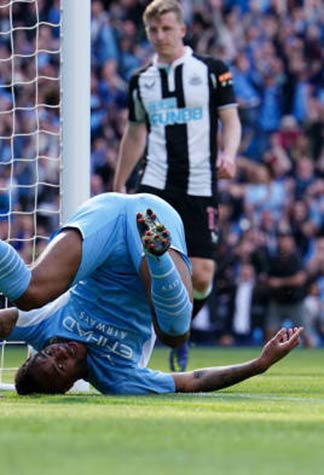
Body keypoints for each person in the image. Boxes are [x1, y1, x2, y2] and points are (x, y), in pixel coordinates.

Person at [0, 185, 301, 396]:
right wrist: (258, 364)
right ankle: (157, 255)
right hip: (153, 229)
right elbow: (193, 380)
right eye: (60, 367)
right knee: (174, 333)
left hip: (108, 217)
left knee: (29, 292)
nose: (59, 354)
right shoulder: (116, 378)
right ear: (71, 383)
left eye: (47, 354)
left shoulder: (46, 327)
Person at [112, 0, 242, 371]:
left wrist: (229, 154)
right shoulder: (141, 80)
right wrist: (120, 183)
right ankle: (139, 339)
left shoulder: (212, 70)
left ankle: (178, 333)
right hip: (154, 184)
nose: (160, 36)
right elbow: (135, 133)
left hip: (200, 185)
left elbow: (231, 121)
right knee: (147, 269)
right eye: (153, 30)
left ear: (182, 30)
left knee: (201, 277)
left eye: (167, 28)